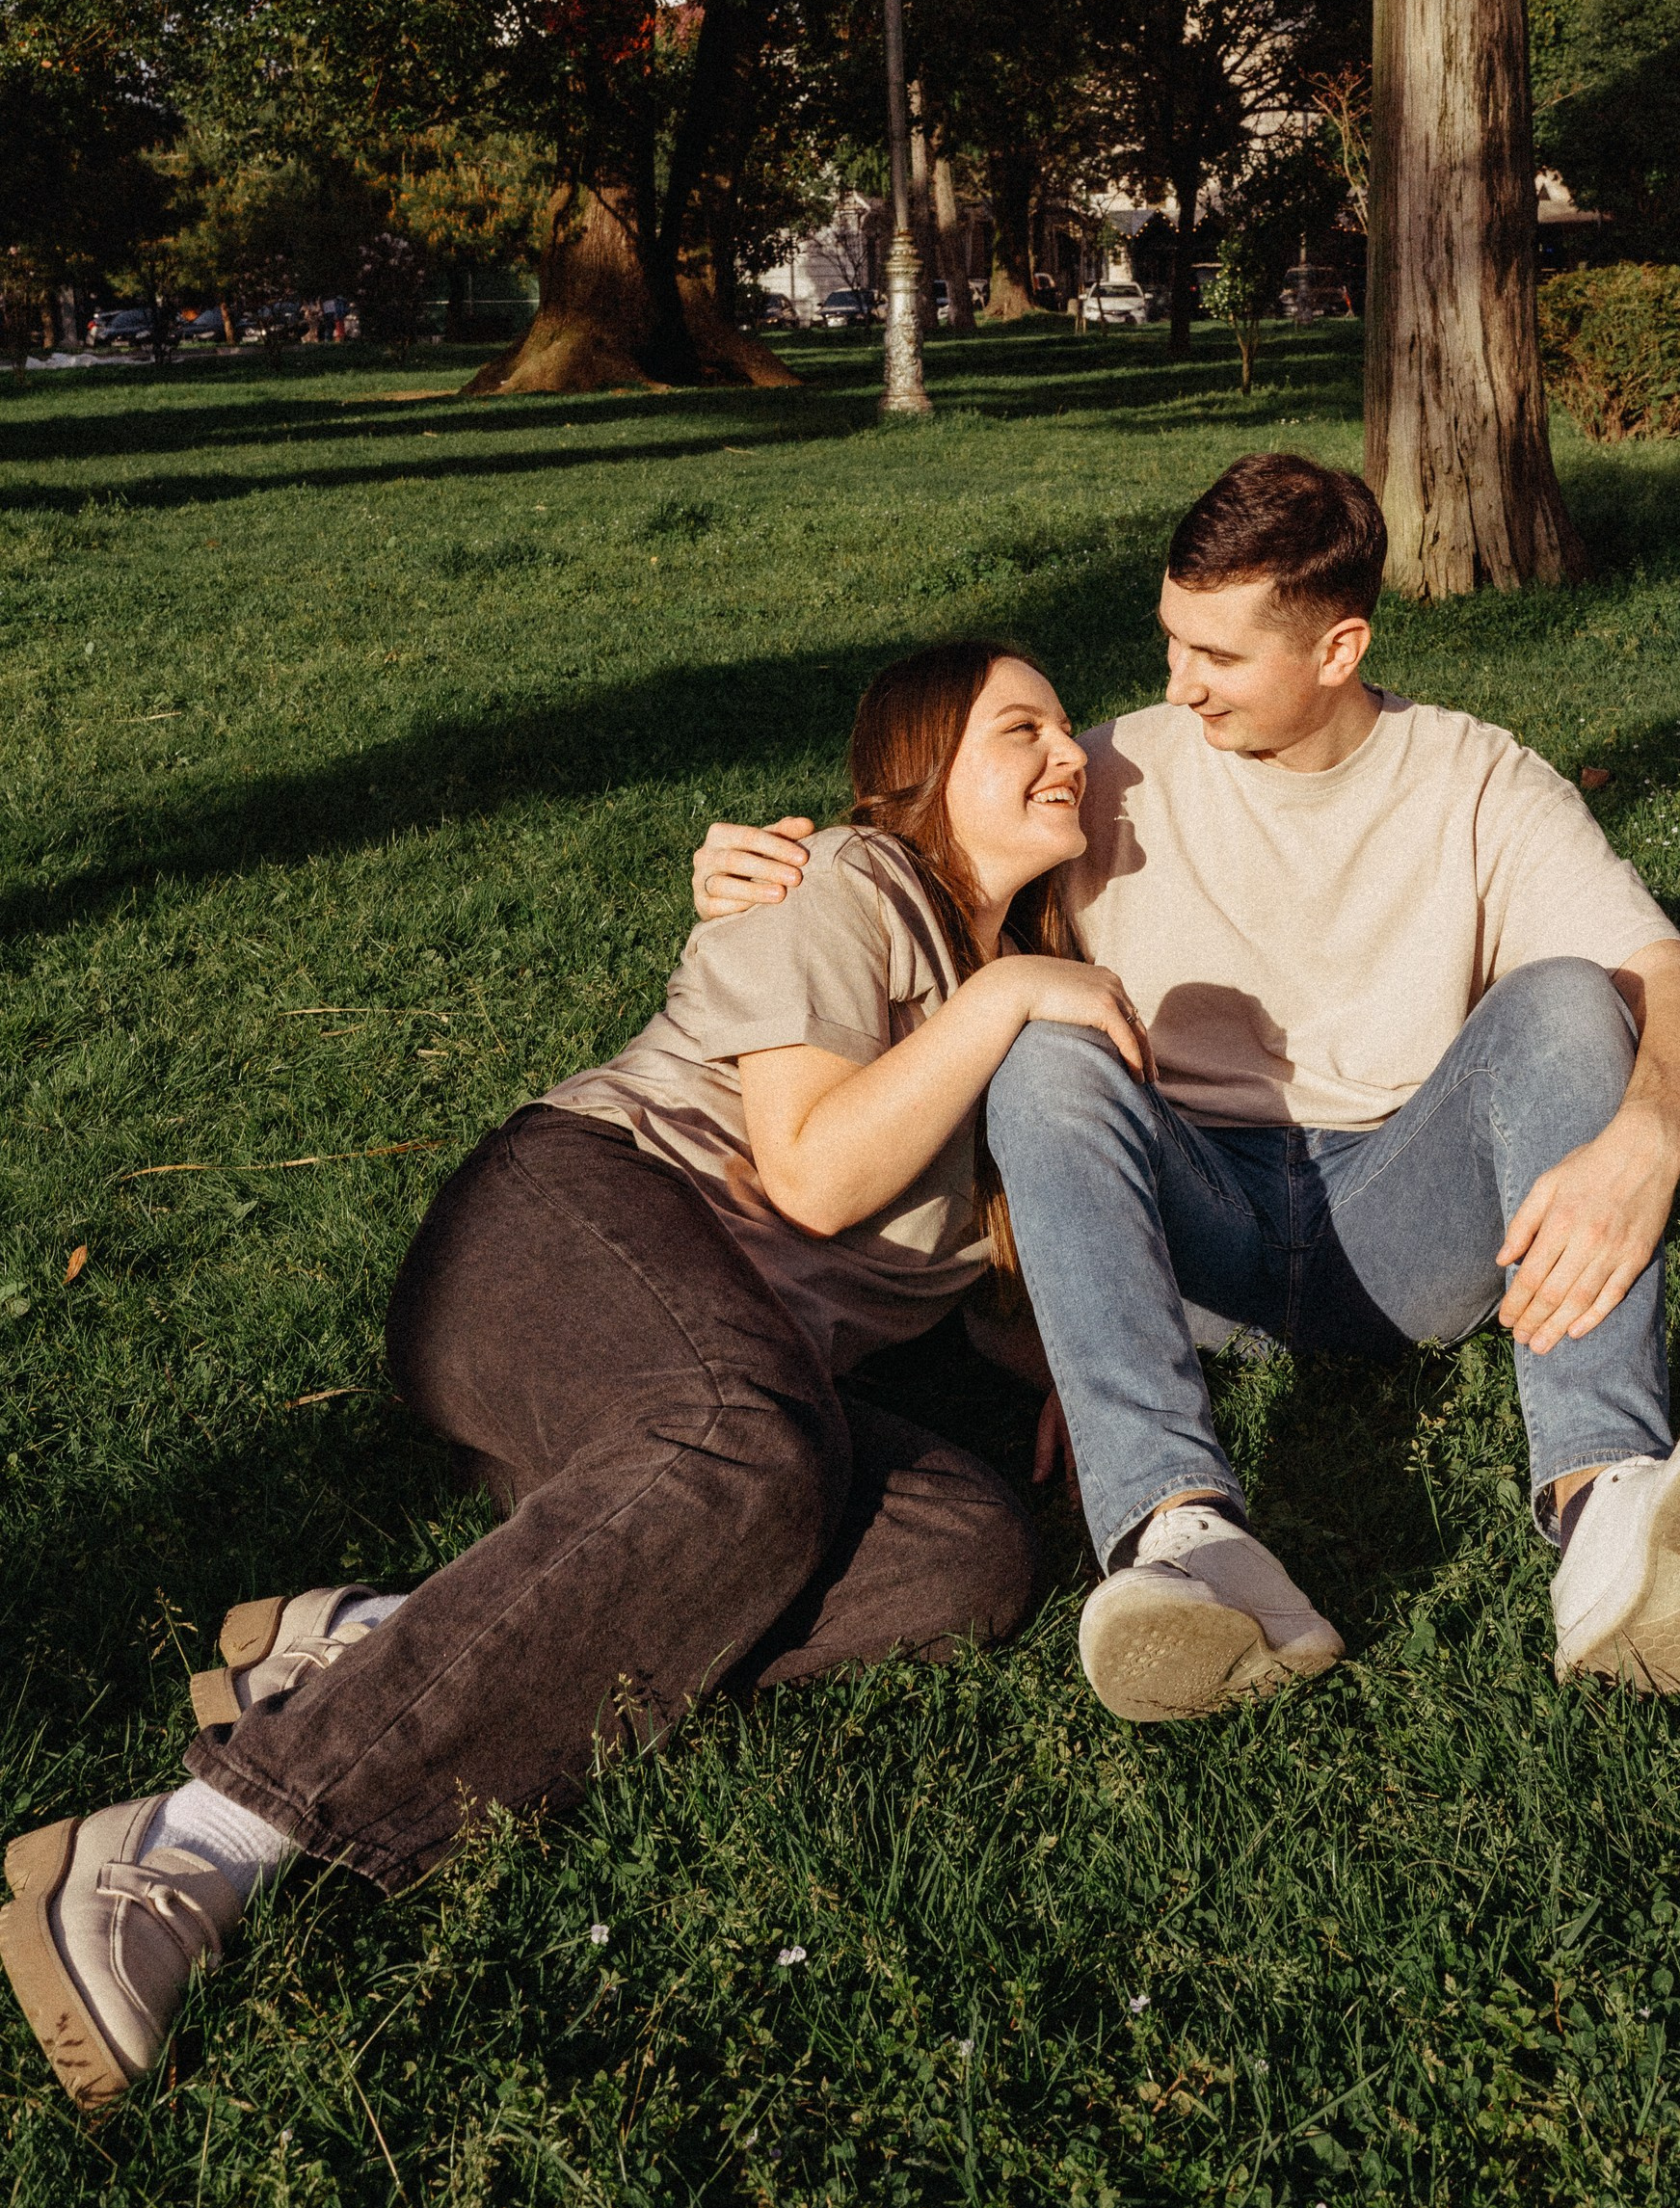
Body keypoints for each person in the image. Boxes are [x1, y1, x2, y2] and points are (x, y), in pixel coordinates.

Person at [4, 639, 1256, 2110]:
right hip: (557, 1234)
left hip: (717, 1364)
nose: (1067, 759)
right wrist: (1007, 997)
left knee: (964, 1555)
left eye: (1068, 732)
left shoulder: (1012, 993)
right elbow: (810, 1178)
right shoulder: (853, 885)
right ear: (917, 771)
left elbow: (963, 1265)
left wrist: (1057, 1357)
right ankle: (190, 1841)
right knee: (748, 1443)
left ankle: (396, 1637)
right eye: (1020, 730)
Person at [691, 451, 1680, 1725]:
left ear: (1337, 648)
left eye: (1217, 659)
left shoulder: (1474, 780)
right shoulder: (1107, 772)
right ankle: (1183, 1538)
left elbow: (1678, 990)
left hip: (1407, 1223)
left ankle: (1608, 1504)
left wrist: (1651, 1136)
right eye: (1171, 641)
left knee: (1573, 995)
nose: (1177, 686)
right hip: (1195, 1237)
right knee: (1041, 1044)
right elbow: (923, 872)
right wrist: (776, 871)